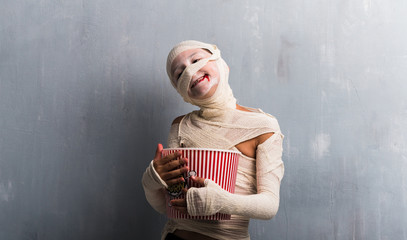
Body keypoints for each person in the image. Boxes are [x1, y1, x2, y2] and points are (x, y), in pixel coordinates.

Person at [142, 40, 284, 240]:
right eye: (179, 74)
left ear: (221, 64)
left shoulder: (263, 127)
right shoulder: (180, 126)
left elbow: (269, 206)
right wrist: (150, 181)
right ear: (181, 92)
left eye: (196, 60)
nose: (190, 72)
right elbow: (169, 206)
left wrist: (222, 201)